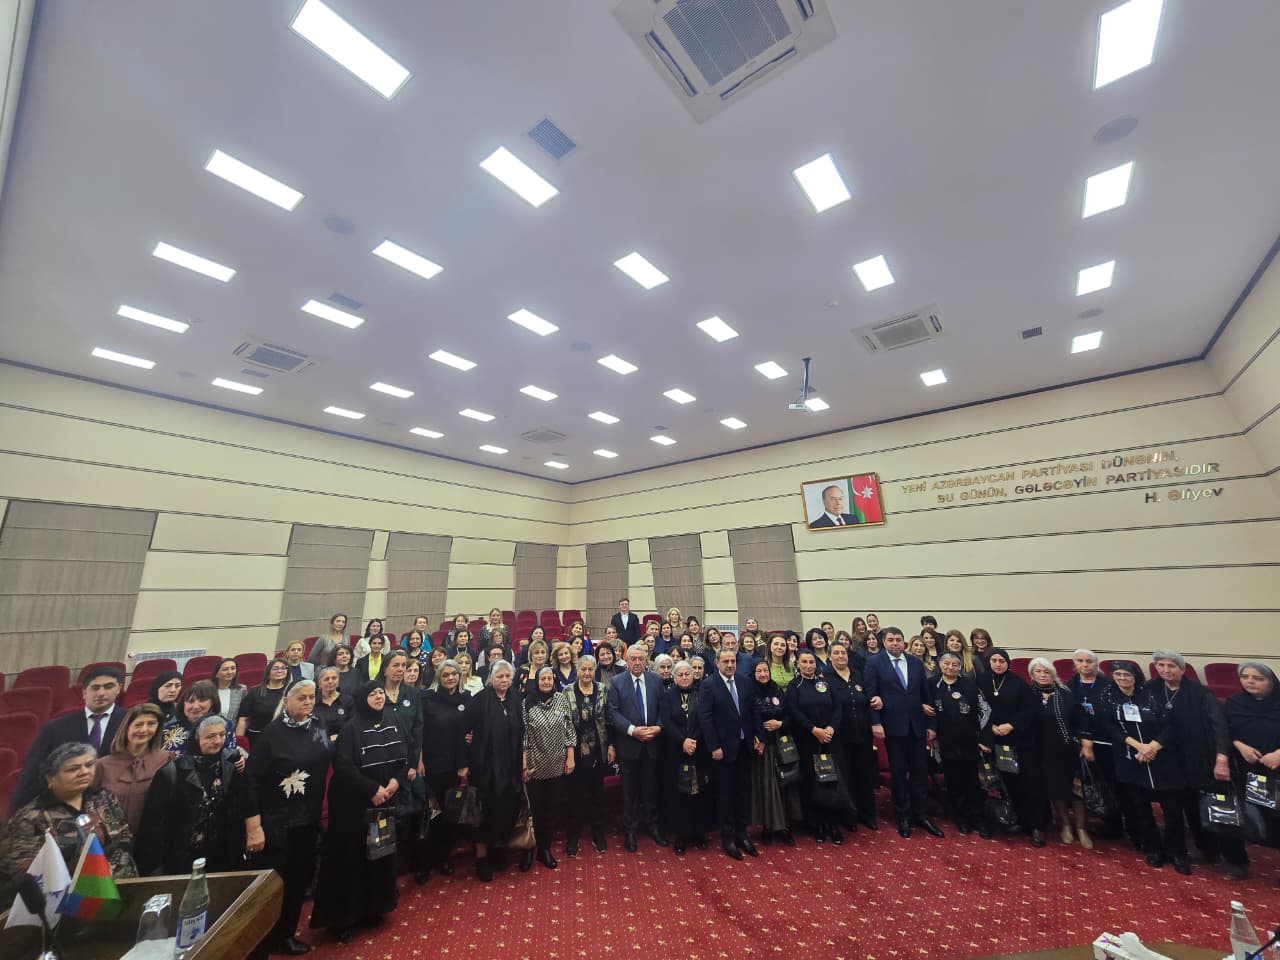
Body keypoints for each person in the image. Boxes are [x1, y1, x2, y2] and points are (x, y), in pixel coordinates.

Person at [312, 681, 408, 944]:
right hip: (352, 805)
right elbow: (343, 765)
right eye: (372, 694)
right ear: (362, 698)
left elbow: (405, 755)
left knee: (379, 855)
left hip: (384, 800)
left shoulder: (395, 720)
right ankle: (343, 919)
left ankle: (374, 908)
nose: (378, 697)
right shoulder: (350, 728)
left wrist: (396, 781)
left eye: (380, 693)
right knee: (350, 859)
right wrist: (371, 789)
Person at [242, 680, 331, 956]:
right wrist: (253, 827)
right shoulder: (272, 733)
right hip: (277, 821)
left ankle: (285, 935)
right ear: (287, 701)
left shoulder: (318, 724)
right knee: (273, 885)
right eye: (301, 698)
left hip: (308, 818)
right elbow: (251, 782)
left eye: (311, 697)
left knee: (298, 879)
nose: (308, 702)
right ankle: (262, 941)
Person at [1144, 648, 1237, 877]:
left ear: (1183, 669)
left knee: (1196, 808)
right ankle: (1177, 853)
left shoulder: (1200, 693)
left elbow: (1219, 727)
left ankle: (1209, 848)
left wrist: (1222, 758)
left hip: (1196, 758)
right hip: (1165, 761)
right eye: (1161, 665)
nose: (1165, 670)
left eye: (1171, 666)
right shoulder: (1150, 689)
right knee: (1172, 810)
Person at [0, 742, 137, 886]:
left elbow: (124, 837)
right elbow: (24, 871)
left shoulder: (103, 798)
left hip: (120, 884)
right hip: (68, 892)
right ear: (51, 779)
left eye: (89, 765)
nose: (84, 772)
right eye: (73, 769)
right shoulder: (32, 817)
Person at [864, 627, 944, 839]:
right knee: (899, 774)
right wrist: (875, 722)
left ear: (904, 642)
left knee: (920, 772)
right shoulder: (874, 663)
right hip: (892, 727)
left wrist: (931, 725)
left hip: (917, 726)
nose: (895, 643)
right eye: (890, 640)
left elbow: (926, 696)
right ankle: (903, 816)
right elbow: (871, 695)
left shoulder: (915, 662)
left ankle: (922, 814)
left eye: (898, 639)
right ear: (884, 642)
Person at [11, 664, 126, 809]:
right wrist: (16, 811)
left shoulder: (131, 722)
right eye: (95, 688)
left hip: (116, 804)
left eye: (108, 687)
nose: (101, 693)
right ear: (84, 692)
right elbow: (32, 772)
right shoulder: (56, 727)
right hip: (64, 806)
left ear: (119, 688)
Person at [1098, 661, 1168, 868]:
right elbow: (1109, 726)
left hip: (1157, 756)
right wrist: (1137, 746)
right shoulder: (1108, 696)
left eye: (1127, 674)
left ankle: (1175, 848)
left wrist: (1151, 747)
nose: (1122, 678)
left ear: (1136, 676)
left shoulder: (1151, 695)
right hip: (1128, 756)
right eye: (1117, 674)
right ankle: (1151, 846)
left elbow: (1167, 725)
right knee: (1138, 806)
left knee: (1169, 806)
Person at [157, 714, 242, 874]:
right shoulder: (174, 770)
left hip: (220, 853)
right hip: (182, 855)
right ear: (196, 738)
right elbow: (159, 820)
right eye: (210, 736)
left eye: (222, 735)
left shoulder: (230, 766)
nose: (217, 741)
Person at [1221, 661, 1280, 882]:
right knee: (1235, 814)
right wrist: (1239, 745)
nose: (1250, 681)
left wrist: (1279, 754)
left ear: (1271, 681)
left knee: (1275, 818)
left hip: (1275, 770)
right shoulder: (1234, 702)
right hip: (1243, 769)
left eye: (1257, 678)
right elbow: (1223, 731)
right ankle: (1236, 862)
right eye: (1245, 677)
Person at [698, 648, 759, 860]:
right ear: (717, 663)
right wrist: (714, 746)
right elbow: (705, 718)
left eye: (733, 661)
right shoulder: (708, 685)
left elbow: (753, 712)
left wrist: (758, 737)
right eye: (726, 661)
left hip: (745, 747)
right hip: (722, 751)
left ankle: (743, 834)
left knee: (743, 793)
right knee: (725, 795)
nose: (730, 665)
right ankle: (728, 838)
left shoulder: (745, 682)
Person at [607, 644, 667, 852]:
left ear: (646, 660)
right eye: (633, 658)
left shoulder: (656, 680)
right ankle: (630, 831)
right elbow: (612, 712)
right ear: (627, 660)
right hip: (629, 745)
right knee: (629, 793)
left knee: (651, 789)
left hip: (652, 744)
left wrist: (658, 727)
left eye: (641, 658)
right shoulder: (617, 682)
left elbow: (664, 708)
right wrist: (632, 730)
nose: (637, 662)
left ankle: (652, 826)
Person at [1028, 658, 1093, 847]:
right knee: (1056, 790)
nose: (1042, 675)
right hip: (1042, 751)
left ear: (1053, 674)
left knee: (1076, 791)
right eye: (1038, 672)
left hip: (1068, 749)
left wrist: (1086, 744)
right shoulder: (1028, 695)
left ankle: (1081, 827)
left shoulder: (1065, 694)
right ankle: (1065, 825)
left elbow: (1081, 721)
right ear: (1032, 675)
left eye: (1046, 672)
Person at [979, 648, 1042, 845]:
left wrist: (1011, 725)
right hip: (996, 740)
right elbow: (978, 709)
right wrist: (990, 727)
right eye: (994, 660)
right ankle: (1017, 819)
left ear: (1008, 663)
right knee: (1008, 784)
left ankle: (1036, 826)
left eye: (1002, 661)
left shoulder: (1018, 682)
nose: (998, 664)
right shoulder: (982, 680)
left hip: (1020, 740)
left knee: (1029, 783)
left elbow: (1030, 710)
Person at [469, 660, 524, 883]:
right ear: (491, 678)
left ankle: (498, 849)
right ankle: (482, 859)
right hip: (486, 768)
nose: (503, 680)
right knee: (484, 813)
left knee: (506, 810)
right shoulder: (480, 700)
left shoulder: (515, 698)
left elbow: (522, 731)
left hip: (510, 768)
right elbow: (466, 728)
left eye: (507, 676)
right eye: (499, 676)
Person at [787, 650, 848, 843]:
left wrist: (830, 728)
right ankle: (817, 825)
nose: (808, 665)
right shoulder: (794, 685)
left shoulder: (826, 683)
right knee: (812, 782)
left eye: (811, 662)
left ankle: (833, 824)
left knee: (832, 781)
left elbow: (838, 707)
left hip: (830, 739)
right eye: (804, 662)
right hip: (808, 740)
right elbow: (794, 711)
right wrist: (814, 729)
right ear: (798, 664)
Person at [420, 659, 472, 878]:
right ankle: (424, 862)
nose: (450, 678)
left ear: (459, 676)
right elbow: (419, 731)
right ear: (438, 677)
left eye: (454, 674)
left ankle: (444, 857)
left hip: (454, 766)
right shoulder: (427, 698)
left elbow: (470, 730)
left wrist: (464, 763)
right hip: (431, 765)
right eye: (445, 675)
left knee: (449, 814)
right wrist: (419, 760)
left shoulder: (466, 699)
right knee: (430, 814)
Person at [931, 652, 991, 837]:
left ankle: (978, 818)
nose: (950, 667)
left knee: (972, 783)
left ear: (960, 667)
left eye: (954, 665)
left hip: (969, 742)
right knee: (954, 783)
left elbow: (984, 711)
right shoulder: (931, 685)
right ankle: (961, 818)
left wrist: (983, 739)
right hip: (945, 743)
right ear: (940, 665)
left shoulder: (969, 685)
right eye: (946, 664)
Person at [522, 666, 575, 870]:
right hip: (535, 765)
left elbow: (569, 729)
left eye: (549, 679)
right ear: (537, 682)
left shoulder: (561, 699)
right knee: (534, 810)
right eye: (542, 679)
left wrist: (570, 757)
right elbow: (524, 736)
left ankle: (544, 849)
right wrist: (524, 766)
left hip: (557, 763)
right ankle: (529, 848)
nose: (546, 682)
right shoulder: (527, 702)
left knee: (551, 809)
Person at [93, 703, 171, 837]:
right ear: (126, 727)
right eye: (138, 724)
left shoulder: (166, 760)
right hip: (111, 840)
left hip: (150, 838)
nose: (144, 730)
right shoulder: (102, 765)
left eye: (151, 724)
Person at [659, 660, 711, 854]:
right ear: (674, 677)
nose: (684, 677)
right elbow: (667, 722)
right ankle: (681, 836)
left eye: (687, 674)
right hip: (675, 751)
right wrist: (683, 741)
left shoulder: (701, 694)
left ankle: (699, 833)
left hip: (698, 750)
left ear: (693, 675)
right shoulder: (667, 696)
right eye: (680, 674)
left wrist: (693, 740)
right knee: (679, 794)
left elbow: (704, 719)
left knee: (699, 792)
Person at [826, 641, 879, 830]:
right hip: (840, 736)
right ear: (829, 656)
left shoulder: (858, 674)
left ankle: (867, 814)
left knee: (864, 776)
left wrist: (877, 700)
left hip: (862, 734)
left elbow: (870, 697)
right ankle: (849, 816)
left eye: (843, 653)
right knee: (845, 777)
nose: (841, 656)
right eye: (836, 653)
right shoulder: (825, 677)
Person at [1067, 648, 1119, 839]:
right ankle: (1091, 818)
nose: (1084, 665)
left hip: (1106, 740)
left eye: (1089, 661)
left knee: (1110, 783)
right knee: (1088, 782)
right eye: (1080, 661)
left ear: (1096, 664)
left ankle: (1114, 822)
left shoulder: (1108, 686)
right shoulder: (1070, 685)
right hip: (1080, 740)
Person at [565, 654, 614, 856]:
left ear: (595, 671)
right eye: (583, 669)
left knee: (597, 796)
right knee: (575, 797)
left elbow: (609, 719)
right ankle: (573, 837)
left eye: (590, 669)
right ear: (577, 671)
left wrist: (611, 745)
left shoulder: (602, 689)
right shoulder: (567, 691)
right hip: (575, 752)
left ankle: (598, 834)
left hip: (598, 750)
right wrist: (568, 754)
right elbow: (566, 723)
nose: (587, 673)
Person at [749, 659, 800, 845]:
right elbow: (749, 717)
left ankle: (784, 826)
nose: (763, 674)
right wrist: (758, 738)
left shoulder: (777, 689)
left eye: (766, 670)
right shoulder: (749, 691)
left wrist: (780, 723)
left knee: (784, 785)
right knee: (766, 786)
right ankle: (767, 827)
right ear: (753, 674)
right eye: (759, 671)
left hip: (781, 743)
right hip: (763, 746)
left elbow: (789, 715)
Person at [162, 680, 238, 757]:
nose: (196, 706)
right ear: (183, 705)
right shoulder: (168, 731)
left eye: (202, 700)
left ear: (212, 702)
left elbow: (230, 756)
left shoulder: (226, 726)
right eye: (190, 701)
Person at [237, 657, 290, 745]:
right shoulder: (255, 692)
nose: (280, 671)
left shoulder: (290, 692)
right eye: (275, 668)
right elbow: (244, 719)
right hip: (256, 737)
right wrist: (239, 744)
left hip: (281, 738)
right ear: (268, 673)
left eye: (283, 668)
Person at [314, 666, 353, 741]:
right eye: (326, 679)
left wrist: (339, 736)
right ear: (319, 683)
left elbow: (352, 726)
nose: (330, 681)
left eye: (334, 678)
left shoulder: (348, 700)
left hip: (343, 741)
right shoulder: (313, 701)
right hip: (319, 743)